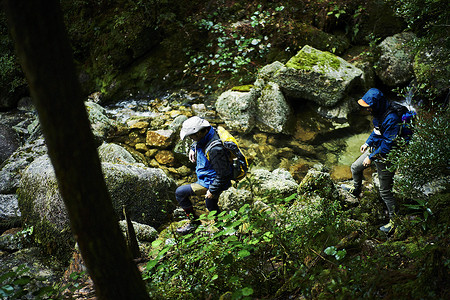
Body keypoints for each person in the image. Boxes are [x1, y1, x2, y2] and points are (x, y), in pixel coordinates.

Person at [343, 88, 401, 234]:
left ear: (377, 104)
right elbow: (376, 131)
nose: (367, 109)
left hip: (386, 156)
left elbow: (388, 144)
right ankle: (356, 190)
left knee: (385, 191)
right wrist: (367, 143)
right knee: (355, 167)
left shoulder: (392, 118)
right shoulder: (377, 113)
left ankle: (395, 221)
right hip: (375, 149)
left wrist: (371, 157)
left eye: (368, 106)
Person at [175, 116, 233, 235]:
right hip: (207, 177)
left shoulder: (215, 150)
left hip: (212, 181)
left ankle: (217, 228)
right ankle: (220, 226)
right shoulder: (209, 131)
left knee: (182, 193)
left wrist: (212, 190)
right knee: (210, 204)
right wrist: (193, 148)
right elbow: (198, 141)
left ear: (201, 132)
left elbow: (223, 174)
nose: (191, 138)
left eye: (192, 136)